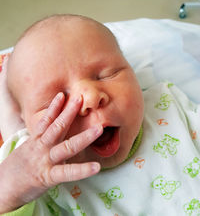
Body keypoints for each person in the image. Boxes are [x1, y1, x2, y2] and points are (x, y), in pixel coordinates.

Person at [0, 14, 200, 216]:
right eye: (56, 99)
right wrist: (9, 193)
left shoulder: (166, 105)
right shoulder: (40, 180)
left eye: (107, 75)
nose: (90, 98)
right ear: (25, 121)